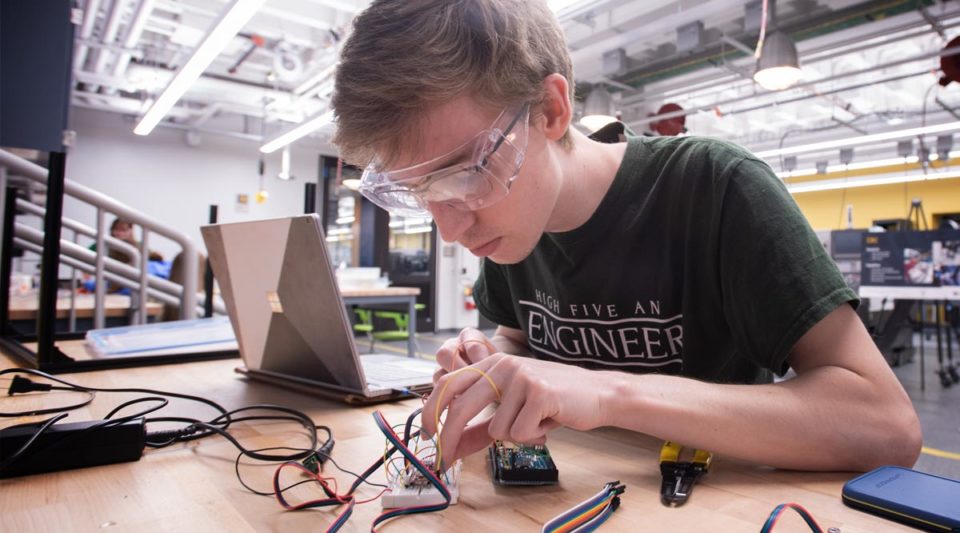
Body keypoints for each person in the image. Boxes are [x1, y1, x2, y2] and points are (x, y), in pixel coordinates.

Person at [331, 0, 922, 472]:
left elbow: (885, 425)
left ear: (551, 110)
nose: (453, 229)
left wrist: (609, 393)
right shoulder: (512, 223)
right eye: (424, 194)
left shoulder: (716, 188)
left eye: (466, 173)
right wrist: (491, 367)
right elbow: (518, 338)